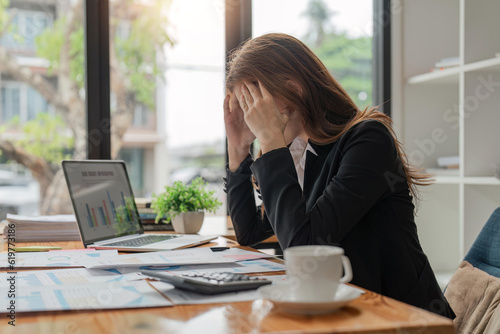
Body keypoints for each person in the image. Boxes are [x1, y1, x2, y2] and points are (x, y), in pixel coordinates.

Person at [223, 33, 455, 319]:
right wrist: (238, 149)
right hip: (342, 312)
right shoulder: (301, 153)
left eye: (255, 103)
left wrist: (270, 140)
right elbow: (250, 234)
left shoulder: (368, 140)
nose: (251, 116)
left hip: (401, 318)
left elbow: (304, 248)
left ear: (294, 89)